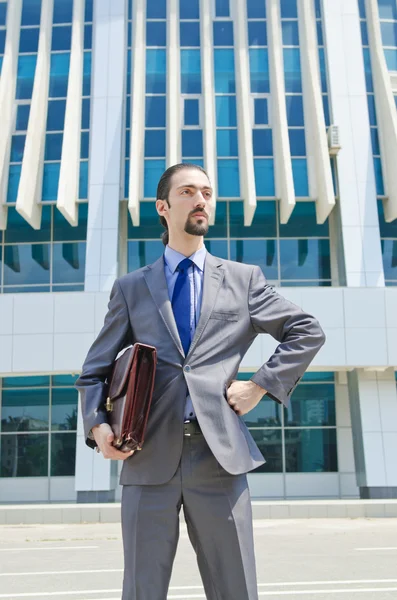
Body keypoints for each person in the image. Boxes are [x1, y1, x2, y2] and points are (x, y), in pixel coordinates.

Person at [76, 162, 326, 600]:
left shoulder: (243, 280)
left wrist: (260, 385)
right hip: (147, 455)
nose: (201, 200)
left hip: (220, 459)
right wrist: (98, 426)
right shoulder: (132, 288)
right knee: (141, 590)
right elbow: (93, 371)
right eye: (189, 191)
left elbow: (306, 330)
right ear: (163, 206)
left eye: (207, 193)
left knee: (235, 589)